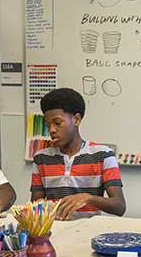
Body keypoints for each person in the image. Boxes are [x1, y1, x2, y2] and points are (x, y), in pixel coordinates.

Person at [30, 87, 126, 220]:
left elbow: (119, 206)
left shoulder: (102, 155)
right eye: (48, 124)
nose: (51, 130)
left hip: (88, 232)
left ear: (76, 120)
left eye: (57, 123)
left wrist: (88, 198)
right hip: (54, 231)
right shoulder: (41, 158)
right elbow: (36, 206)